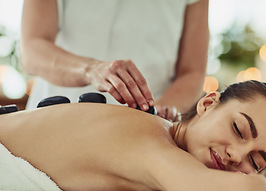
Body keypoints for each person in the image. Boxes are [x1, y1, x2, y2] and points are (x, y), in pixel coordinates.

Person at [0, 80, 266, 191]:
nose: (236, 156)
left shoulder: (164, 137)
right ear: (208, 104)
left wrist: (262, 169)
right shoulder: (150, 145)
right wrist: (259, 171)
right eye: (237, 129)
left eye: (255, 161)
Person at [19, 0, 209, 121]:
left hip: (143, 132)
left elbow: (192, 71)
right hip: (53, 119)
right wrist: (91, 69)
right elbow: (32, 49)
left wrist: (161, 112)